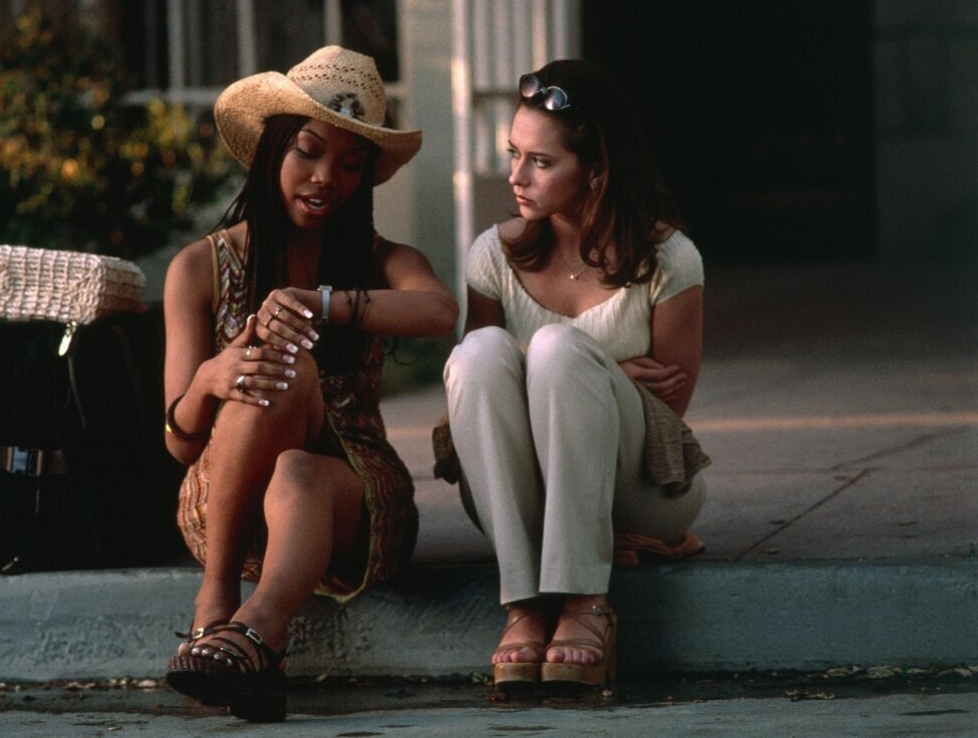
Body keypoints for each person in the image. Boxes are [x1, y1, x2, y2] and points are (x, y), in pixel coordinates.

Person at [161, 45, 458, 722]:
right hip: (228, 506)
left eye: (351, 164)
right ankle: (224, 603)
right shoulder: (198, 269)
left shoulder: (382, 260)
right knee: (275, 367)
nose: (328, 178)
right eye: (309, 151)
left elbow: (440, 310)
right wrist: (211, 378)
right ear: (273, 149)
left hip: (354, 497)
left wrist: (320, 302)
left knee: (298, 462)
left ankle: (251, 630)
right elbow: (179, 443)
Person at [443, 60, 709, 690]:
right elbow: (485, 395)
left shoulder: (669, 258)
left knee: (559, 349)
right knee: (479, 352)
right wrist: (610, 369)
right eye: (514, 154)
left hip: (640, 486)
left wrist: (584, 369)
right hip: (520, 493)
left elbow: (666, 417)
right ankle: (523, 606)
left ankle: (586, 602)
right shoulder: (494, 255)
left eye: (541, 162)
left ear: (597, 170)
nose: (516, 176)